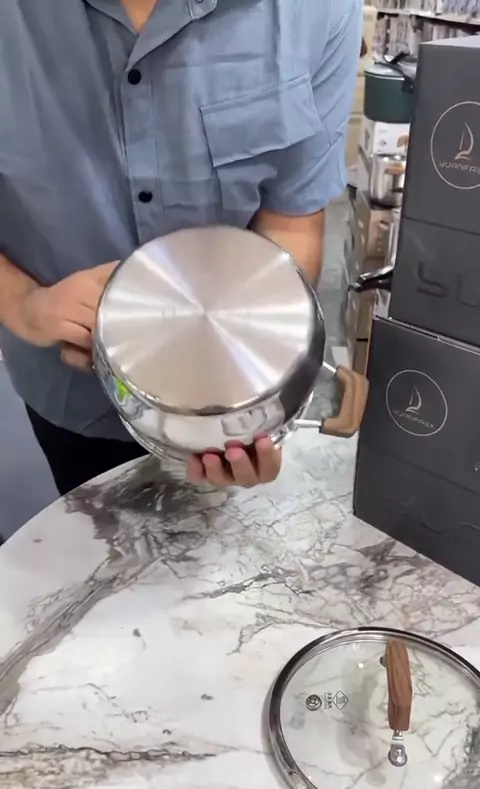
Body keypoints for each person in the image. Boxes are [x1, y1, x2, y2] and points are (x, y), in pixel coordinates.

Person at [0, 0, 362, 496]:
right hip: (71, 396)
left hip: (233, 403)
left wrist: (257, 385)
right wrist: (23, 304)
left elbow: (292, 221)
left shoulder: (319, 11)